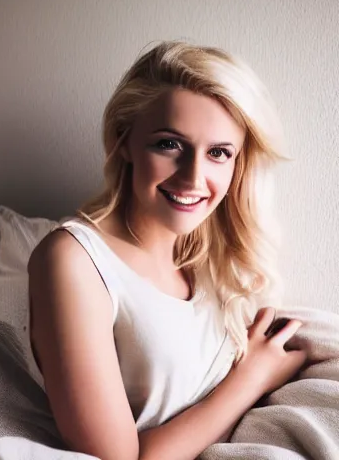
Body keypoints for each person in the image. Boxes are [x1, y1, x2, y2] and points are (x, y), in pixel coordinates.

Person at [27, 41, 307, 460]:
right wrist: (251, 380)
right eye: (169, 144)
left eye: (218, 153)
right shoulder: (74, 261)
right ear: (124, 141)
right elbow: (119, 459)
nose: (195, 177)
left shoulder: (214, 258)